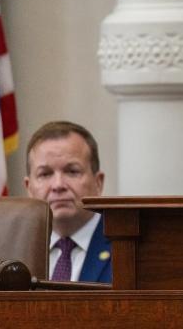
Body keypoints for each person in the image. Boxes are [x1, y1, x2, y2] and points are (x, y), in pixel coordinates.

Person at [24, 121, 111, 283]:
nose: (58, 185)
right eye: (45, 174)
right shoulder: (13, 250)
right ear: (29, 187)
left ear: (98, 182)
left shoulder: (127, 246)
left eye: (72, 171)